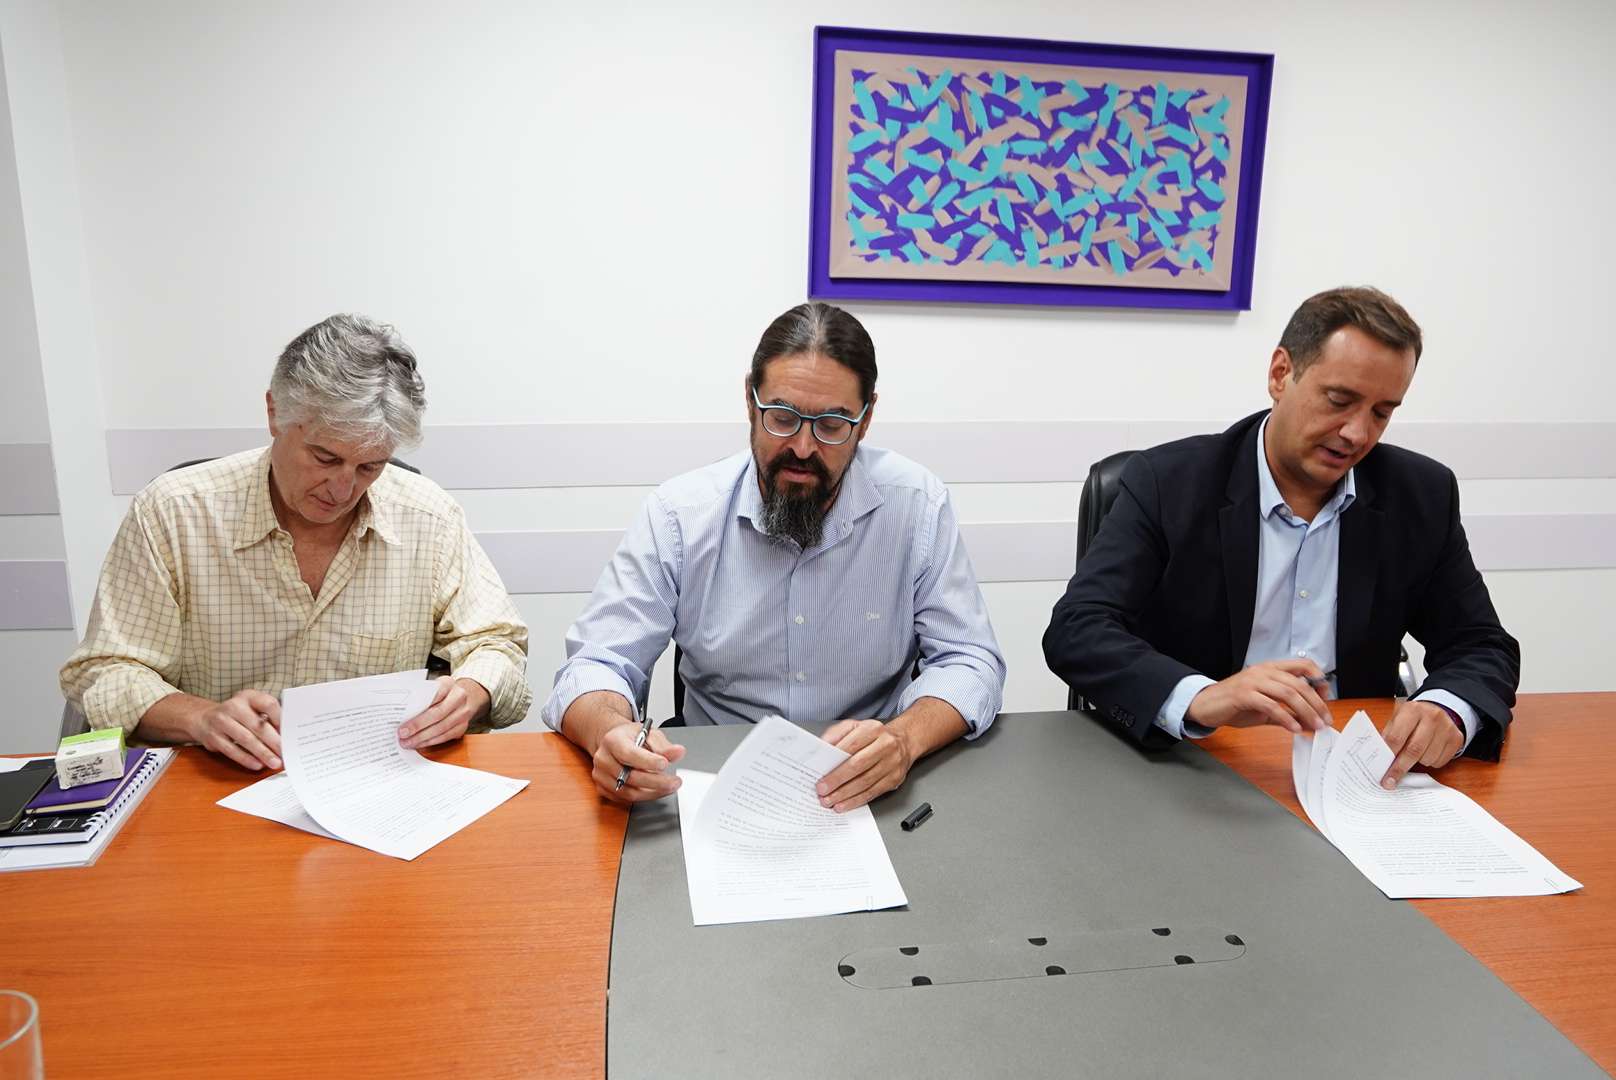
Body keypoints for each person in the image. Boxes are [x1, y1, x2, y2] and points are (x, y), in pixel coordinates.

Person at [1043, 286, 1519, 788]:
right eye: (1340, 401)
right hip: (1201, 765)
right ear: (1280, 374)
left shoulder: (1420, 494)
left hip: (1357, 774)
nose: (1357, 433)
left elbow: (1480, 643)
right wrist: (1203, 697)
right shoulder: (1168, 482)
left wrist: (1448, 709)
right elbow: (1078, 628)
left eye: (1382, 412)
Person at [544, 301, 1005, 811]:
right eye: (783, 418)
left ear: (866, 419)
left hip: (868, 784)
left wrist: (903, 738)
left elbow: (970, 660)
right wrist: (609, 731)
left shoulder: (917, 506)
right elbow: (598, 662)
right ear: (750, 401)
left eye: (831, 425)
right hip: (709, 782)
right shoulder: (680, 515)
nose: (803, 448)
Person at [61, 314, 532, 770]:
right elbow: (107, 672)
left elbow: (497, 643)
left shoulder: (428, 516)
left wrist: (470, 692)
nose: (343, 490)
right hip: (217, 778)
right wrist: (202, 718)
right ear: (274, 414)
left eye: (370, 466)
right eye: (325, 457)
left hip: (372, 777)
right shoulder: (174, 511)